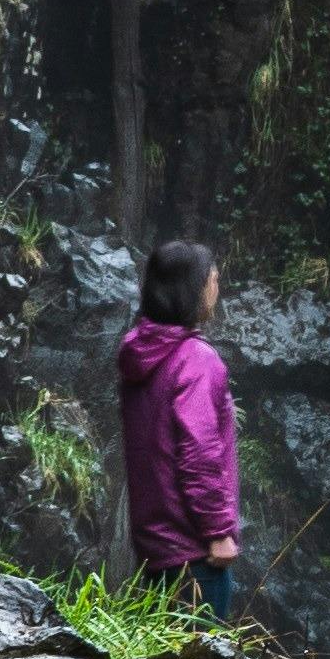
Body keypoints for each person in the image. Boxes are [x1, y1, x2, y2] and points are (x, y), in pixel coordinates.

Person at [113, 240, 246, 618]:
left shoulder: (140, 352)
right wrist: (219, 532)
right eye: (214, 281)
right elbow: (199, 453)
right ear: (194, 289)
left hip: (155, 548)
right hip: (196, 551)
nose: (217, 290)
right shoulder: (196, 359)